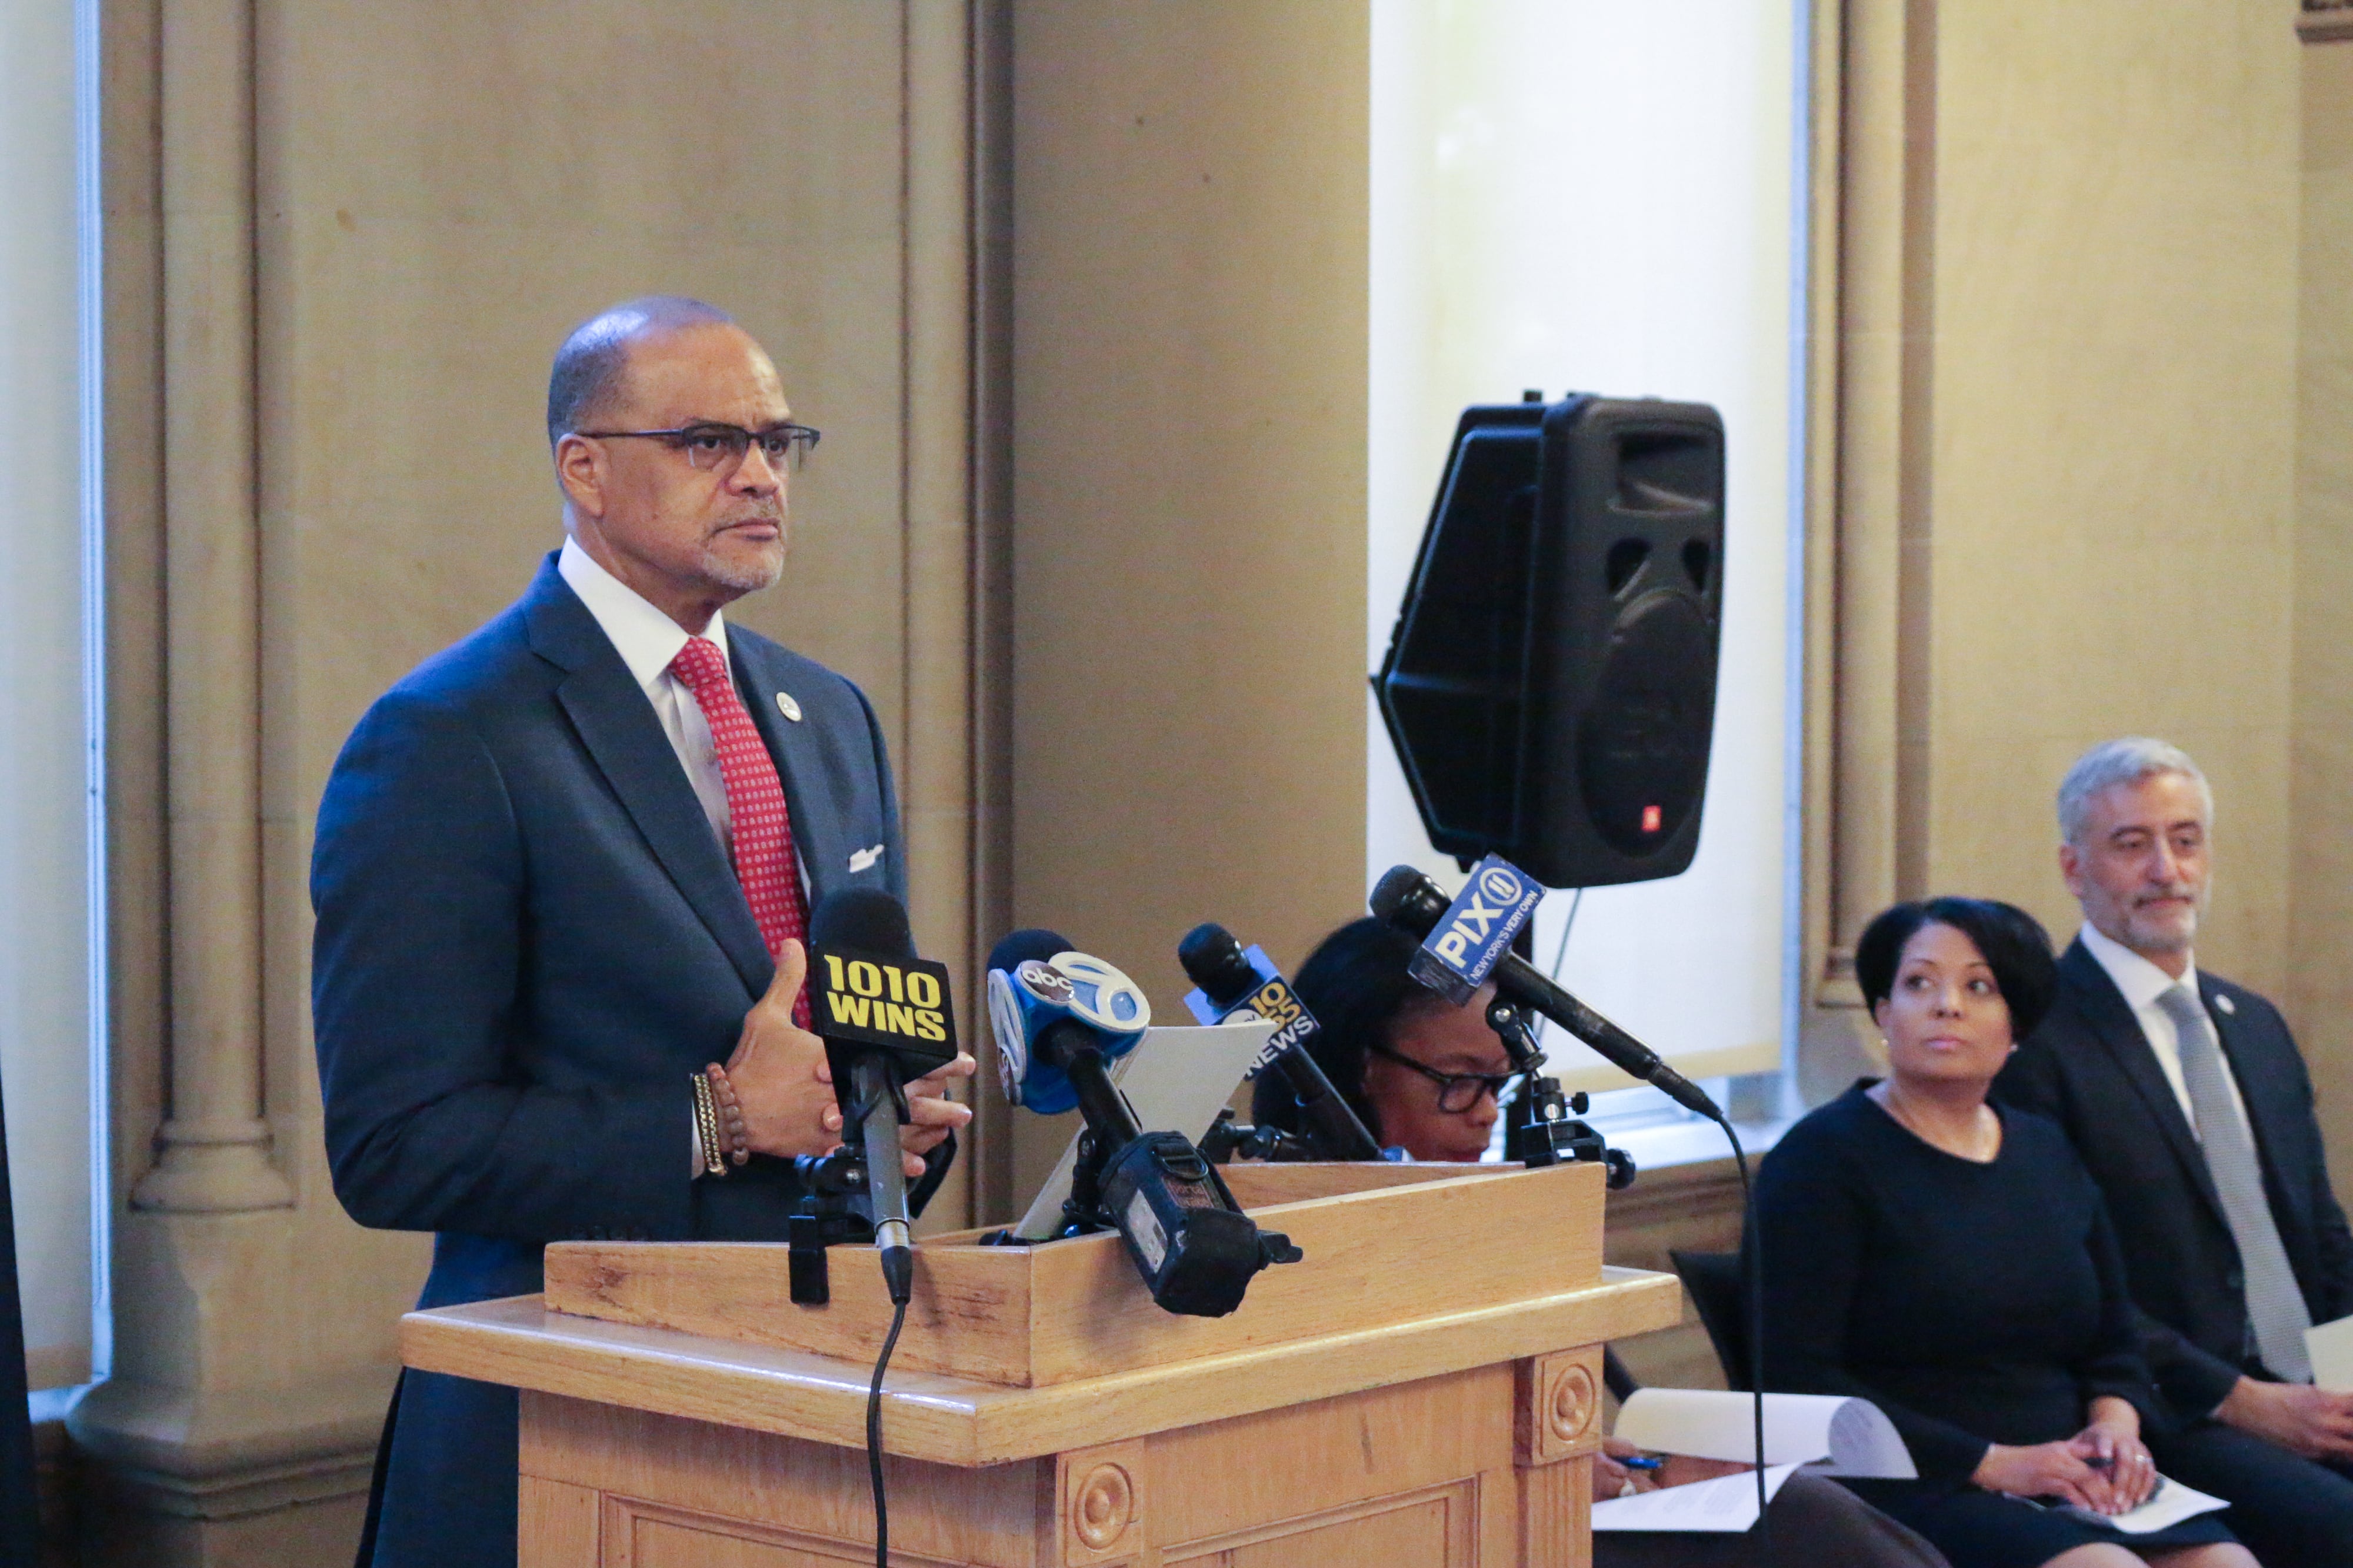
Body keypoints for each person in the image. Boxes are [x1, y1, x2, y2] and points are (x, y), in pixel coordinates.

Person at [311, 297, 975, 1568]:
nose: (760, 476)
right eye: (710, 441)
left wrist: (889, 1120)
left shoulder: (829, 714)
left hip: (819, 1409)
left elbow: (824, 1058)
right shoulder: (450, 737)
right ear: (586, 471)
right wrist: (716, 1119)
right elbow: (393, 1147)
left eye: (781, 442)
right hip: (569, 1429)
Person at [1262, 917, 1955, 1568]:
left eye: (1497, 1083)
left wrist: (1614, 1458)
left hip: (1535, 1508)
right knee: (1803, 1523)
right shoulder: (1280, 1238)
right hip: (1419, 1537)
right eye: (1458, 1080)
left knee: (1805, 1509)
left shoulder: (1475, 1211)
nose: (1482, 1112)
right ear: (1353, 1067)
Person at [1757, 896, 2252, 1568]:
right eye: (1917, 983)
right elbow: (1797, 1375)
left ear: (2016, 1025)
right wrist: (1993, 1463)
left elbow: (2113, 1337)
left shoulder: (2046, 1150)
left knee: (2226, 1563)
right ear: (1881, 1013)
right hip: (1914, 1475)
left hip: (2067, 1467)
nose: (1947, 1004)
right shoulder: (1822, 1159)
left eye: (1978, 986)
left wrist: (2116, 1423)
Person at [1991, 738, 2353, 1567]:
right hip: (2175, 1413)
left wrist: (2345, 1382)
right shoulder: (2036, 1042)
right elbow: (2065, 1282)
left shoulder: (2255, 1024)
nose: (2166, 868)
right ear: (2075, 868)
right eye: (2132, 844)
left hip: (2311, 1389)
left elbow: (2321, 1233)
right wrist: (2244, 1400)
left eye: (2185, 840)